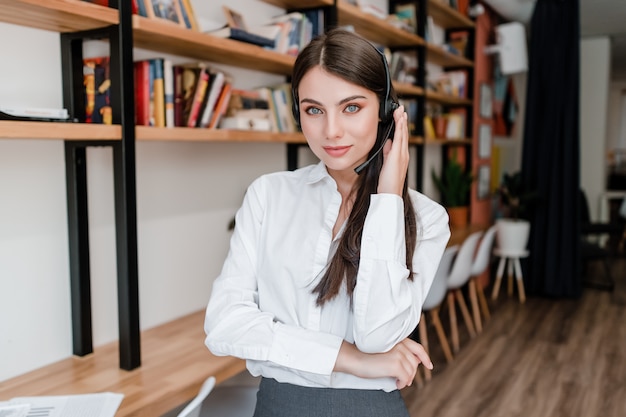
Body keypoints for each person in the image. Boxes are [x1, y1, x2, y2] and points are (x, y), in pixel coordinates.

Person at [204, 28, 450, 417]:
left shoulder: (426, 219)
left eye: (351, 107)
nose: (331, 130)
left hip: (368, 408)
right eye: (314, 109)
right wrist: (352, 359)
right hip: (278, 405)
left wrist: (387, 199)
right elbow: (224, 325)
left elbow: (377, 334)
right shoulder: (268, 195)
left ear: (387, 112)